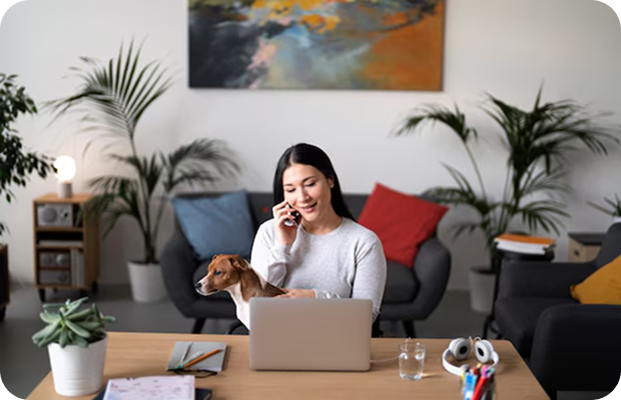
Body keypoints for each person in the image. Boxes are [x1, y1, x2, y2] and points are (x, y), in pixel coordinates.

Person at [250, 143, 387, 322]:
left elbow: (367, 315)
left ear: (330, 180)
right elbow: (256, 303)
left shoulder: (363, 241)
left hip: (338, 336)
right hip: (277, 334)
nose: (302, 198)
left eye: (310, 184)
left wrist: (315, 298)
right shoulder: (269, 232)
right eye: (291, 190)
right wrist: (282, 246)